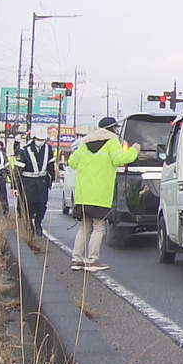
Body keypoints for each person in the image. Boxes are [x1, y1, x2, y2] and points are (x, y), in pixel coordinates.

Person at [69, 116, 138, 272]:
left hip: (83, 193)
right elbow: (120, 159)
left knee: (84, 227)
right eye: (116, 128)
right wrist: (134, 150)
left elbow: (72, 163)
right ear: (112, 129)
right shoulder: (112, 141)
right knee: (99, 227)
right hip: (100, 193)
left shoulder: (84, 144)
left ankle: (76, 259)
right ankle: (92, 261)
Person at [13, 126, 56, 237]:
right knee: (28, 206)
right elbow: (17, 170)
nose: (40, 142)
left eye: (42, 139)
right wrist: (15, 187)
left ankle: (38, 223)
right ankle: (30, 226)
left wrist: (51, 180)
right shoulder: (24, 151)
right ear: (33, 138)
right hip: (28, 182)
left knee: (42, 205)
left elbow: (51, 166)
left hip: (42, 182)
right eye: (38, 139)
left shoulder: (48, 149)